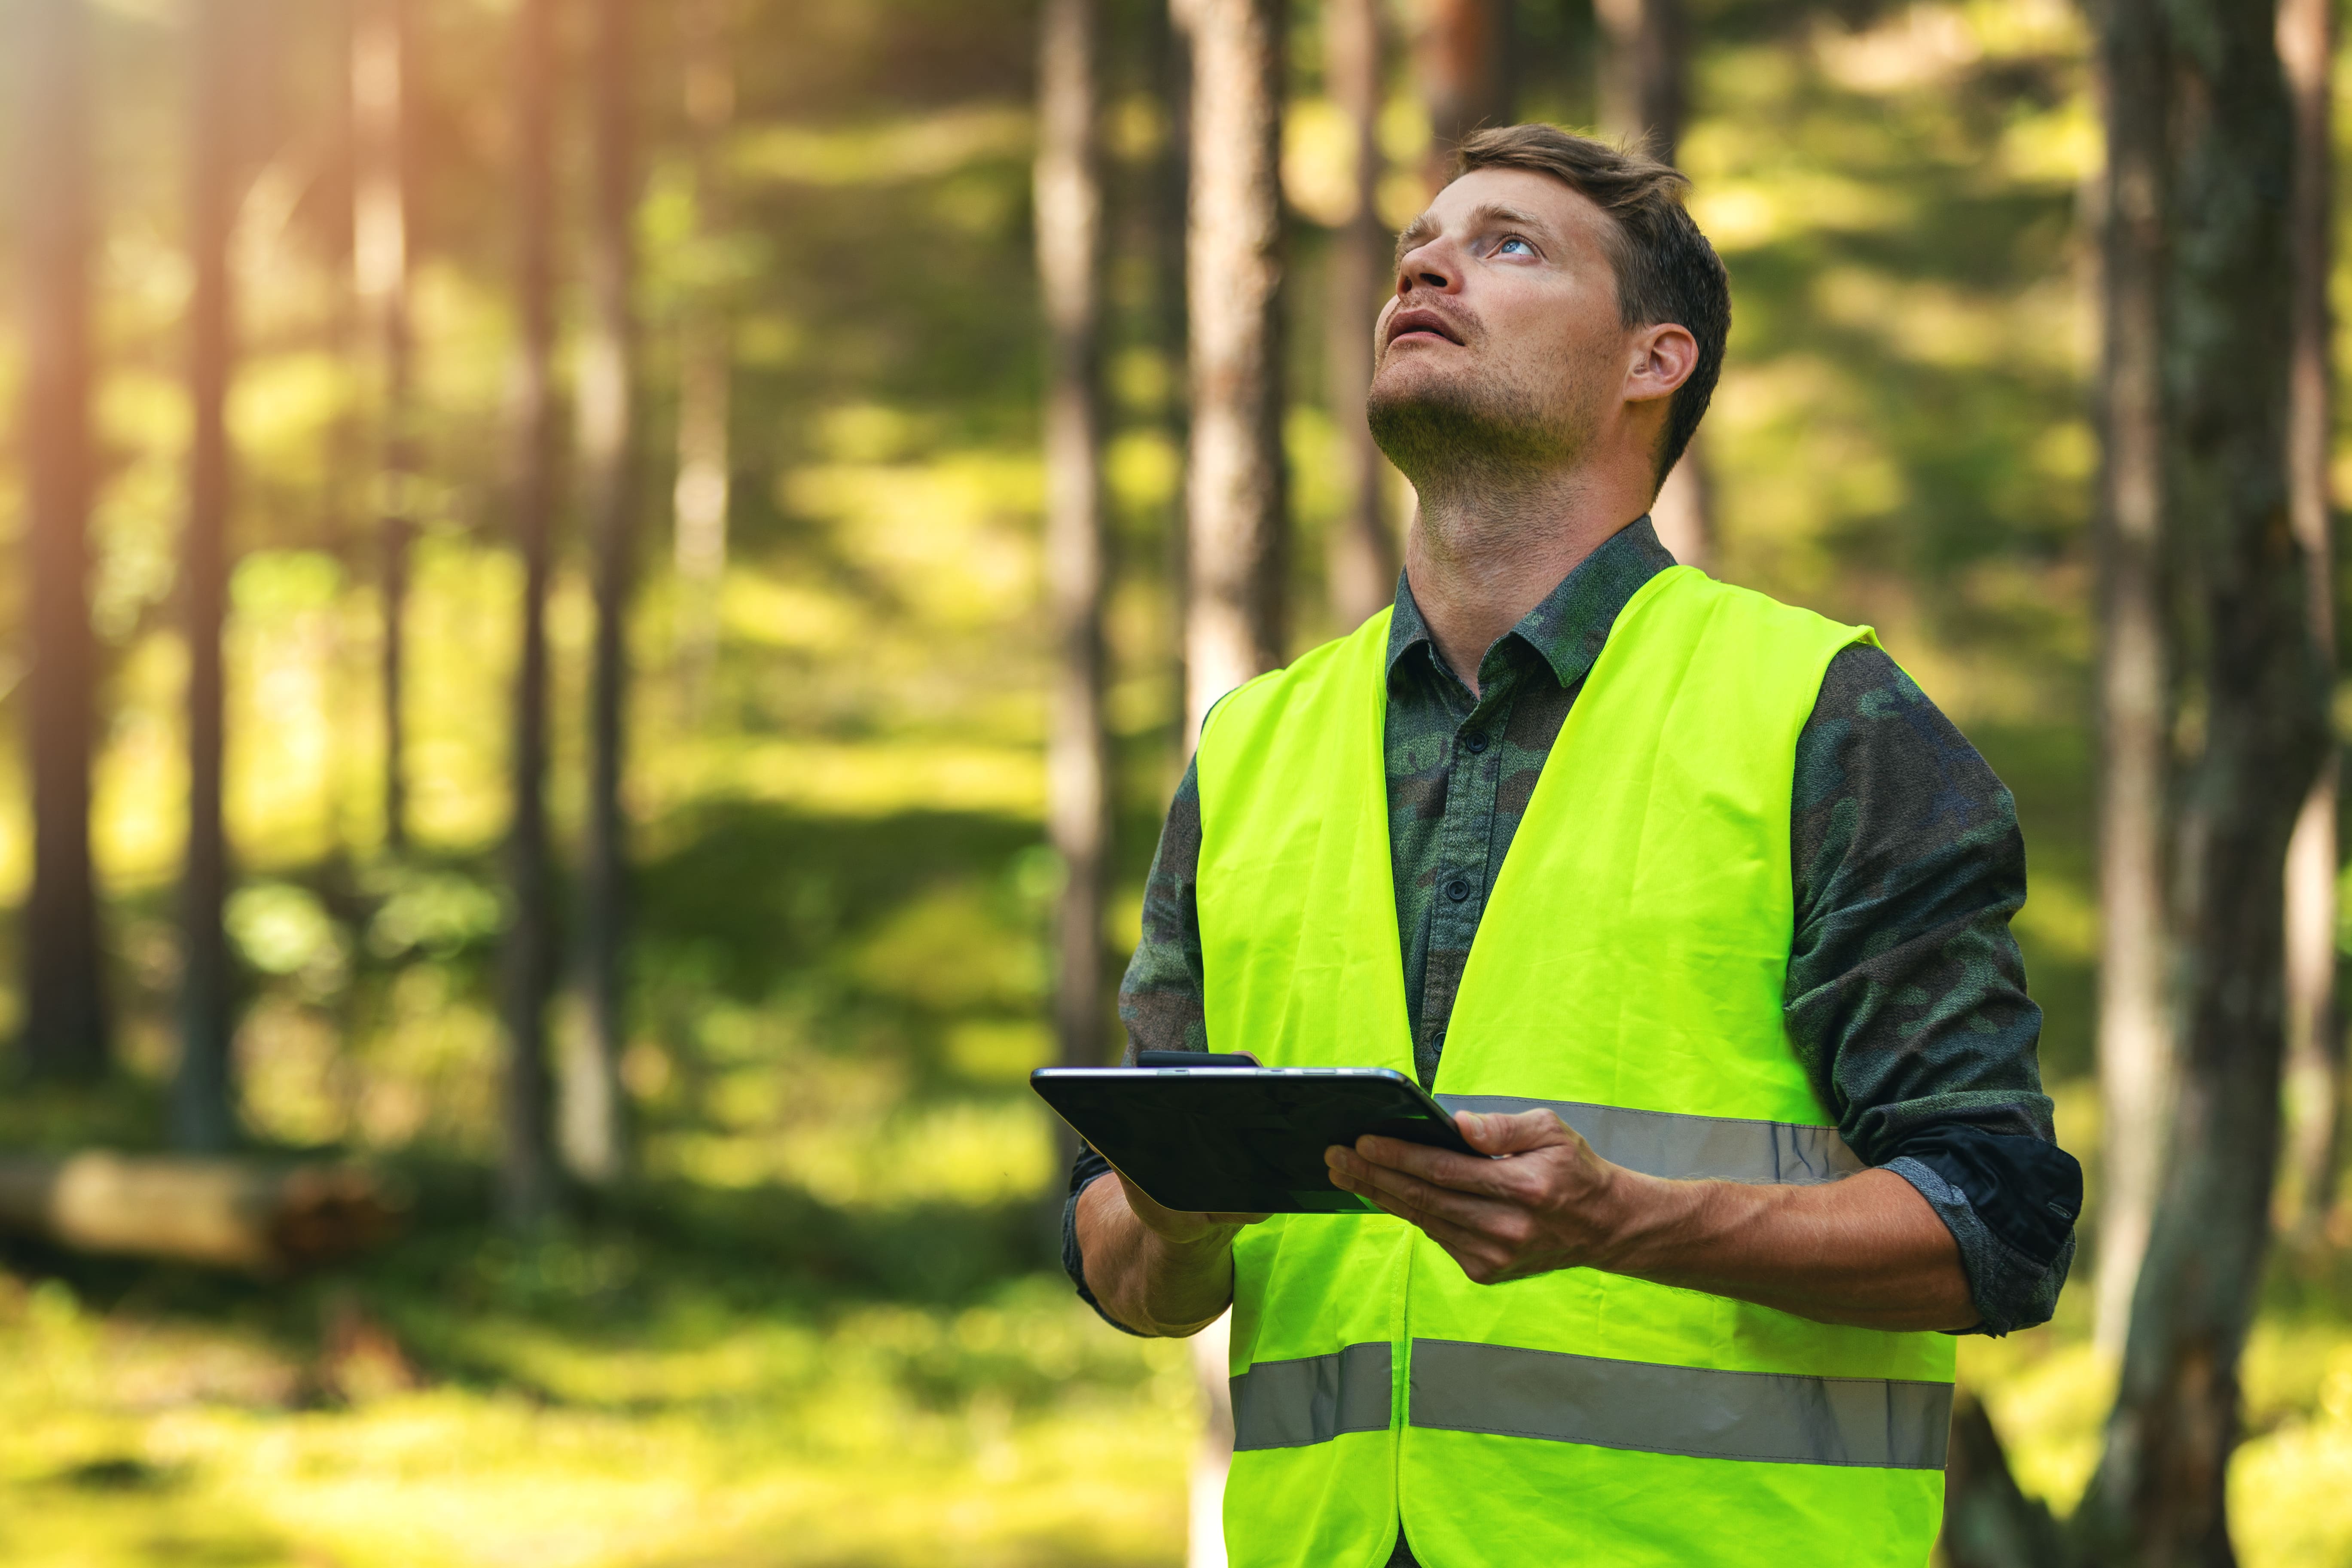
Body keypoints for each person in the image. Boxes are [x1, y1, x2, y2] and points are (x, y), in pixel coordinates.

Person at [1062, 124, 2079, 1568]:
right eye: (1421, 241)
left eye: (1507, 244)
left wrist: (1632, 1220)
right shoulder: (1250, 748)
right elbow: (1122, 1258)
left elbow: (1996, 1217)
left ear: (1651, 363)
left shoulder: (1819, 713)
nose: (1426, 261)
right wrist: (1173, 1222)